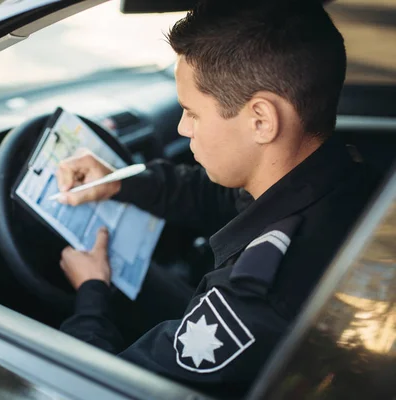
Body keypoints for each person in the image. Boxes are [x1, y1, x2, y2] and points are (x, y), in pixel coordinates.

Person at [55, 0, 377, 397]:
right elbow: (221, 197)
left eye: (192, 112)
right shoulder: (344, 178)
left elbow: (100, 390)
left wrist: (91, 293)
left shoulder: (254, 303)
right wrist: (121, 181)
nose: (182, 127)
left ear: (261, 120)